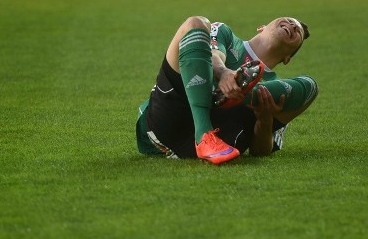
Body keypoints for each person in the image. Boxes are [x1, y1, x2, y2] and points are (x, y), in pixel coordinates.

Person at [135, 16, 318, 165]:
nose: (293, 26)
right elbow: (214, 54)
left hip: (218, 140)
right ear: (261, 27)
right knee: (195, 24)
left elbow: (260, 151)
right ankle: (210, 125)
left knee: (310, 85)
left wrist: (265, 120)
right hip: (168, 120)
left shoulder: (277, 91)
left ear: (288, 59)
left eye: (297, 32)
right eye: (288, 20)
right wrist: (223, 73)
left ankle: (239, 96)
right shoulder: (225, 34)